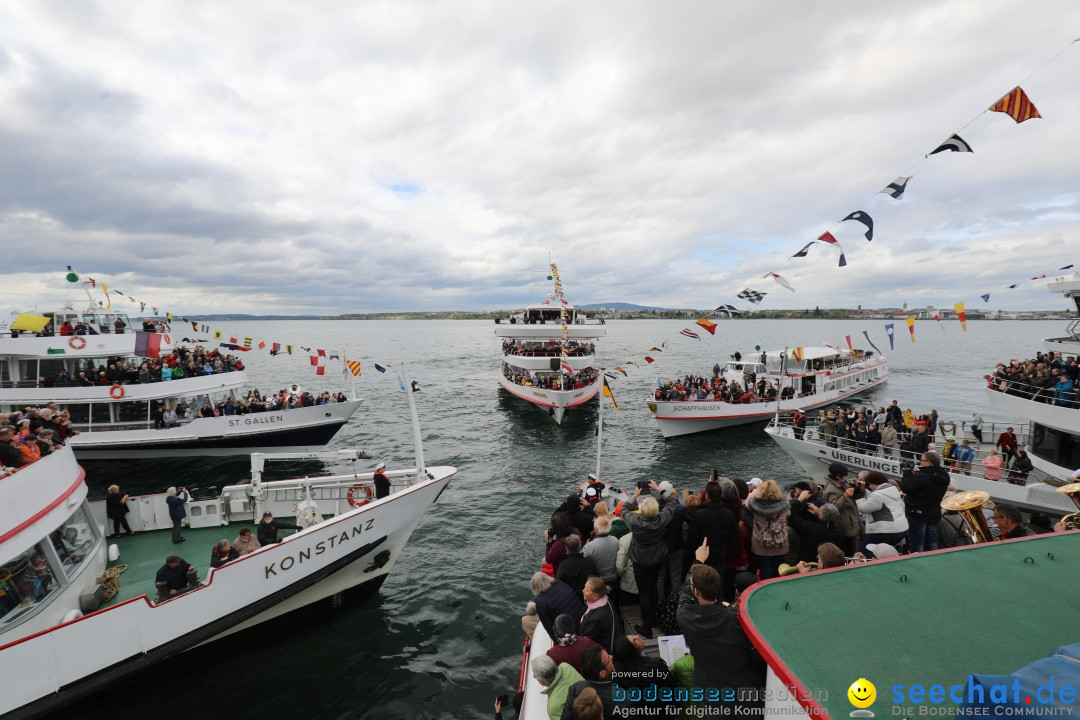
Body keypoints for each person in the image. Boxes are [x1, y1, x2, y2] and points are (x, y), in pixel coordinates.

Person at [677, 540, 766, 714]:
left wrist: (698, 561)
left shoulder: (685, 617)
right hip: (747, 694)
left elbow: (685, 592)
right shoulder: (739, 619)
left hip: (714, 695)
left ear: (696, 592)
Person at [622, 482, 676, 639]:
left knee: (644, 592)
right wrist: (659, 490)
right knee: (653, 589)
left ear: (642, 511)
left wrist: (635, 495)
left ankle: (647, 626)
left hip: (640, 560)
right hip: (657, 558)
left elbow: (624, 509)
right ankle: (653, 619)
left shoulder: (635, 521)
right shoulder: (662, 520)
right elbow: (671, 502)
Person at [901, 451, 950, 552]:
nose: (920, 463)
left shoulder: (922, 476)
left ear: (929, 463)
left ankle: (919, 564)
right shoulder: (944, 475)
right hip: (934, 512)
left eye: (922, 461)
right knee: (932, 542)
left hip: (918, 513)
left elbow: (906, 488)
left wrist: (906, 474)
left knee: (917, 543)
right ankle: (934, 560)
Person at [746, 479, 790, 579]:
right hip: (780, 544)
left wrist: (758, 489)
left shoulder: (755, 507)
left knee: (765, 571)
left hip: (761, 547)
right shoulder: (784, 507)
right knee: (779, 571)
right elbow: (789, 514)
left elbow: (747, 501)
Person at [559, 645, 618, 720]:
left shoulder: (576, 688)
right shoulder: (623, 699)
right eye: (609, 659)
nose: (612, 656)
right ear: (602, 673)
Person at [854, 471, 908, 551]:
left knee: (866, 550)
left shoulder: (878, 496)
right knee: (885, 552)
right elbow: (874, 499)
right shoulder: (892, 491)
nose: (870, 487)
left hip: (886, 532)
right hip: (901, 529)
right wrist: (864, 490)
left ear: (875, 483)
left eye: (869, 484)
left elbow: (863, 508)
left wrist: (858, 496)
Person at [821, 463, 860, 557]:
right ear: (835, 475)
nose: (844, 478)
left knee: (853, 550)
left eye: (845, 475)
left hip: (852, 522)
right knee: (848, 553)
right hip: (844, 525)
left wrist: (859, 488)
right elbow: (833, 509)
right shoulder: (831, 489)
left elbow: (854, 498)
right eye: (841, 476)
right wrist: (845, 496)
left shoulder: (843, 484)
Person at [532, 572, 586, 640]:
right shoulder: (560, 583)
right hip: (585, 619)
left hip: (573, 630)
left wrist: (556, 640)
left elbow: (548, 625)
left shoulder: (540, 601)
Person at [581, 517, 620, 606]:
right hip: (614, 579)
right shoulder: (615, 540)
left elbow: (581, 559)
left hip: (598, 583)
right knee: (613, 604)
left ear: (595, 530)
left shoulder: (590, 546)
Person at [531, 655, 584, 720]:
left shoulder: (553, 708)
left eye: (535, 675)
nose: (534, 676)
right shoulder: (566, 666)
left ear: (541, 681)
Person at [579, 577, 622, 653]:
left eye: (586, 590)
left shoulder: (596, 619)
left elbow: (585, 642)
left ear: (595, 596)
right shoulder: (605, 599)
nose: (583, 591)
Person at [555, 535, 599, 601]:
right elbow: (597, 577)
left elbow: (558, 583)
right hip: (589, 595)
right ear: (580, 546)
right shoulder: (590, 561)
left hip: (572, 597)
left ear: (566, 548)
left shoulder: (564, 565)